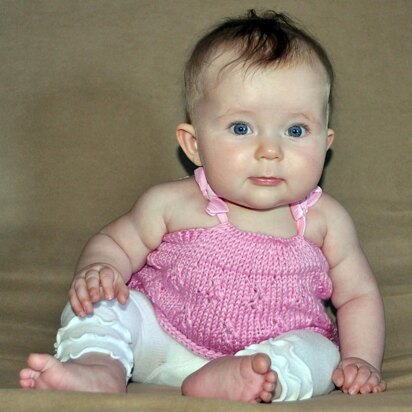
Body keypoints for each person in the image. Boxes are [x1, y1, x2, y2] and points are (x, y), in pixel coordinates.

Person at [19, 10, 386, 403]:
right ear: (194, 144)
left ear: (325, 143)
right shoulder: (172, 203)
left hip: (263, 356)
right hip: (160, 342)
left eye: (295, 131)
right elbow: (116, 242)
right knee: (103, 304)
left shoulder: (324, 220)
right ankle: (98, 366)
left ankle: (248, 380)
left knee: (320, 352)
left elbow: (358, 296)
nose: (269, 151)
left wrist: (361, 359)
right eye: (241, 128)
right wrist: (100, 269)